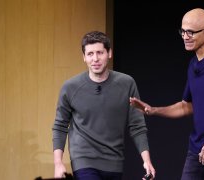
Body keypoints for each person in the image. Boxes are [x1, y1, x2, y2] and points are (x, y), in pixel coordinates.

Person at [130, 8, 204, 180]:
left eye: (191, 32)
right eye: (183, 31)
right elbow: (186, 106)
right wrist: (152, 110)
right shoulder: (193, 64)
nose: (185, 36)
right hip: (197, 148)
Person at [52, 31, 155, 180]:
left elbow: (137, 125)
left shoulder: (126, 84)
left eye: (100, 53)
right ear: (84, 57)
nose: (95, 59)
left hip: (114, 161)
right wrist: (58, 163)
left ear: (109, 53)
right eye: (90, 54)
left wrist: (147, 161)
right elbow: (60, 126)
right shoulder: (71, 87)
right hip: (83, 160)